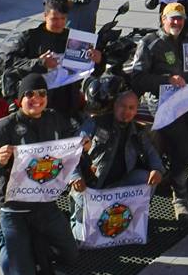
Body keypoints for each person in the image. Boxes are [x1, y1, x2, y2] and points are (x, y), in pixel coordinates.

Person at [0, 73, 81, 275]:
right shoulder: (3, 127)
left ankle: (32, 244)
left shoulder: (55, 119)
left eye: (42, 93)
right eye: (30, 94)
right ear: (19, 99)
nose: (37, 99)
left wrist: (83, 143)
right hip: (15, 211)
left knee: (71, 257)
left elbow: (73, 136)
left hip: (46, 206)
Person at [131, 2, 188, 222]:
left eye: (180, 18)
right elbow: (137, 78)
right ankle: (180, 198)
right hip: (164, 103)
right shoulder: (149, 43)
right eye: (172, 18)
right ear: (163, 19)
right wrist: (166, 80)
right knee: (182, 147)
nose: (176, 22)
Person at [70, 90, 165, 237]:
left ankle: (133, 220)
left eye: (131, 108)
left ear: (136, 110)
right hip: (92, 187)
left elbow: (151, 153)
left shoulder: (138, 131)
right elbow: (72, 150)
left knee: (146, 178)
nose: (126, 111)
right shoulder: (95, 123)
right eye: (123, 106)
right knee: (85, 237)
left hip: (119, 186)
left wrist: (157, 170)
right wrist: (75, 177)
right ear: (115, 105)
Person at [0, 0, 102, 119]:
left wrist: (98, 61)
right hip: (38, 103)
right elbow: (10, 63)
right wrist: (40, 63)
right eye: (54, 19)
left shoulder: (76, 40)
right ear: (45, 16)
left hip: (69, 103)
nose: (59, 23)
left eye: (63, 18)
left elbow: (92, 72)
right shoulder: (30, 37)